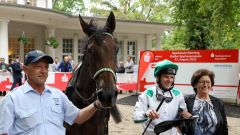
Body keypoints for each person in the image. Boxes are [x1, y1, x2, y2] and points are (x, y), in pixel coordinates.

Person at [0, 50, 102, 135]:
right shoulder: (12, 99)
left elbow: (78, 117)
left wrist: (96, 104)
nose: (43, 71)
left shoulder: (58, 95)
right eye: (38, 67)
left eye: (46, 67)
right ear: (25, 70)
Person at [133, 59, 187, 135]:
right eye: (166, 77)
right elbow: (136, 117)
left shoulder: (178, 94)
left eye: (171, 77)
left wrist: (184, 115)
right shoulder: (147, 94)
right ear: (158, 78)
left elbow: (184, 113)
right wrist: (146, 114)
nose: (169, 80)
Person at [181, 69, 228, 135]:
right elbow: (177, 118)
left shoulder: (219, 103)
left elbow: (224, 127)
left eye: (208, 82)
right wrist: (181, 113)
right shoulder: (186, 100)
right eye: (202, 82)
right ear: (195, 85)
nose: (205, 85)